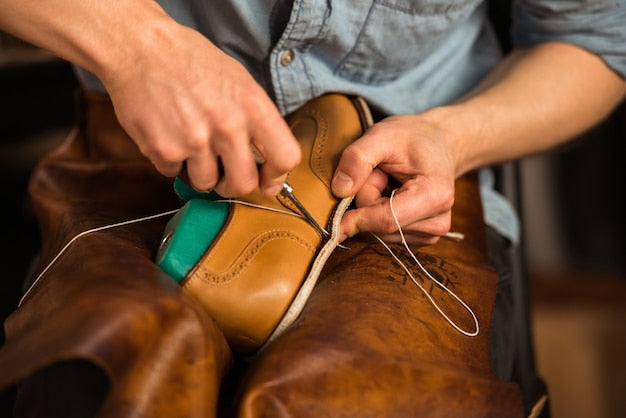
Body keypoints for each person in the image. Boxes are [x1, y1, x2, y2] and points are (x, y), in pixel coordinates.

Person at [0, 0, 624, 416]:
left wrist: (455, 137)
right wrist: (138, 44)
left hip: (408, 181)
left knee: (364, 399)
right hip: (142, 151)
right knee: (109, 374)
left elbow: (597, 38)